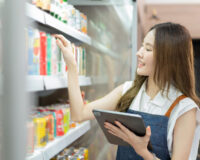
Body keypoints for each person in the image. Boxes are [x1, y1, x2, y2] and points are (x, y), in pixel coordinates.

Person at [54, 22, 200, 160]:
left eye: (148, 49)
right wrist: (72, 66)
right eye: (142, 46)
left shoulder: (184, 108)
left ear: (168, 59)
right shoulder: (128, 90)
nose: (139, 53)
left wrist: (143, 151)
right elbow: (79, 114)